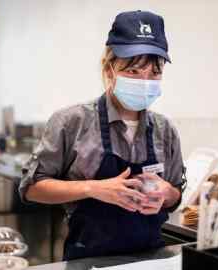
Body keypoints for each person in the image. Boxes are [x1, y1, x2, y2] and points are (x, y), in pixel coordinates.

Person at [19, 10, 186, 260]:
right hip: (88, 259)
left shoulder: (166, 131)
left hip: (150, 259)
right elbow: (31, 188)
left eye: (154, 72)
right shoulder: (72, 122)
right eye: (133, 71)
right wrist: (92, 188)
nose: (145, 81)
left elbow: (175, 195)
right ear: (109, 70)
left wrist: (166, 194)